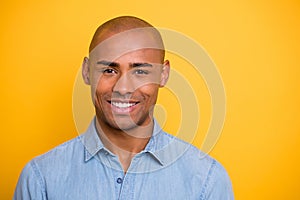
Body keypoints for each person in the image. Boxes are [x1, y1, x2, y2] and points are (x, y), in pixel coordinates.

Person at [14, 16, 234, 200]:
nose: (123, 88)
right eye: (109, 70)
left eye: (140, 71)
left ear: (163, 74)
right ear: (87, 71)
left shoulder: (207, 180)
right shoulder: (40, 179)